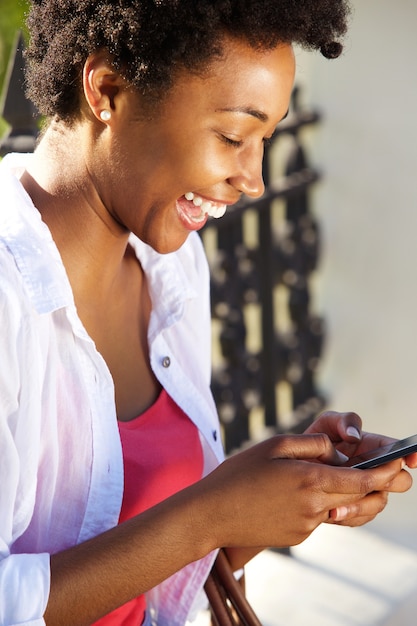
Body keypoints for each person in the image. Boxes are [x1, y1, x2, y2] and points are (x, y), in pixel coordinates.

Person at [0, 1, 416, 624]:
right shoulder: (8, 299)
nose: (253, 179)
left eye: (265, 141)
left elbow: (152, 562)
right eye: (231, 137)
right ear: (107, 88)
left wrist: (277, 500)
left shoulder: (173, 269)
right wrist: (209, 514)